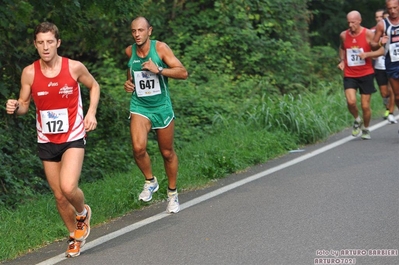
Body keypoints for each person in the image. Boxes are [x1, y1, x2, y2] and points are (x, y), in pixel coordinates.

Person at [5, 22, 100, 258]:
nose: (45, 47)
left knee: (68, 187)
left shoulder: (74, 67)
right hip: (46, 139)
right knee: (58, 195)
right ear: (35, 45)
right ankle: (74, 236)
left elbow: (94, 86)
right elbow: (25, 106)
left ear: (58, 43)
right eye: (40, 42)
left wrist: (91, 112)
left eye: (50, 42)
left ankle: (82, 212)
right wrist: (15, 107)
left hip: (73, 135)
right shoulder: (29, 72)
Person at [123, 17, 188, 213]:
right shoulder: (129, 51)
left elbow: (183, 73)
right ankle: (150, 181)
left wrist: (158, 69)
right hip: (140, 106)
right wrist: (128, 84)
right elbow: (131, 73)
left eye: (141, 30)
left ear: (149, 31)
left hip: (161, 107)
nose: (137, 34)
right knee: (138, 148)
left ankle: (172, 193)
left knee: (167, 153)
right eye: (134, 31)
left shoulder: (161, 49)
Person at [337, 11, 376, 140]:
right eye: (348, 22)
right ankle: (357, 119)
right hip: (350, 74)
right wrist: (342, 60)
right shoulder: (344, 35)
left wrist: (368, 54)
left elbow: (379, 50)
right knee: (351, 102)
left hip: (366, 73)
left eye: (353, 22)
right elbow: (342, 47)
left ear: (360, 21)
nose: (350, 25)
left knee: (365, 106)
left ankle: (365, 127)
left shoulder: (368, 34)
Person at [371, 0, 399, 134]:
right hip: (392, 63)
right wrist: (381, 43)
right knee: (397, 96)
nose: (393, 11)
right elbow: (373, 44)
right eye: (390, 8)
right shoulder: (382, 25)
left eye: (395, 7)